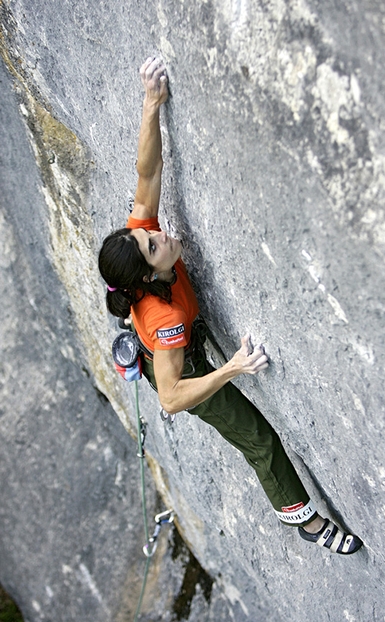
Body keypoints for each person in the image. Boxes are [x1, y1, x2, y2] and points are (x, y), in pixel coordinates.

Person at [98, 57, 363, 556]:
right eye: (152, 246)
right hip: (181, 366)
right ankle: (304, 522)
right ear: (148, 276)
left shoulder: (141, 247)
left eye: (147, 233)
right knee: (258, 437)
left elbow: (147, 169)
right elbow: (172, 398)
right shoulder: (167, 320)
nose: (157, 234)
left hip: (178, 343)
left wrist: (151, 104)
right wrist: (235, 368)